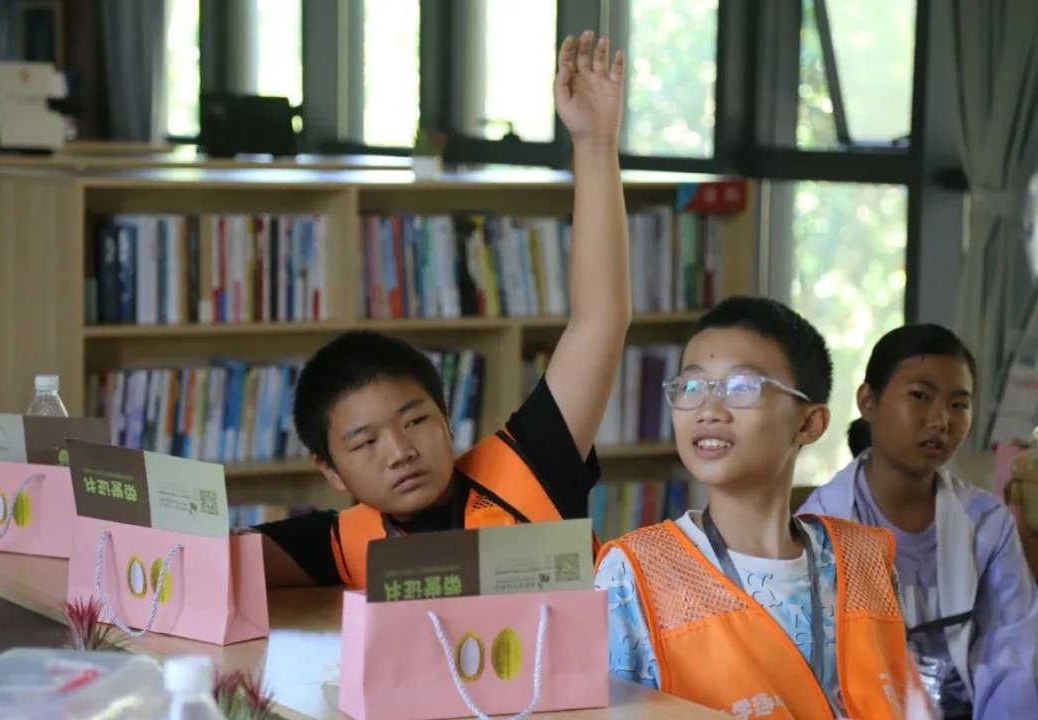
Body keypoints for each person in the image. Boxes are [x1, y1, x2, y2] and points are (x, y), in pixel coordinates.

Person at [253, 30, 632, 588]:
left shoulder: (529, 465)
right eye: (365, 443)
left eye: (415, 421)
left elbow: (601, 319)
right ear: (330, 470)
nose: (400, 452)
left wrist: (595, 145)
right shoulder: (342, 542)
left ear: (446, 417)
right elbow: (208, 565)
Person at [595, 296, 917, 719]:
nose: (708, 411)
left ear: (808, 423)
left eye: (741, 388)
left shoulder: (865, 562)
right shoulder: (633, 573)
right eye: (690, 388)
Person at [800, 323, 1038, 719]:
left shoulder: (986, 524)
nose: (941, 420)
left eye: (958, 405)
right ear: (868, 401)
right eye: (920, 396)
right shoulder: (818, 527)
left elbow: (1013, 657)